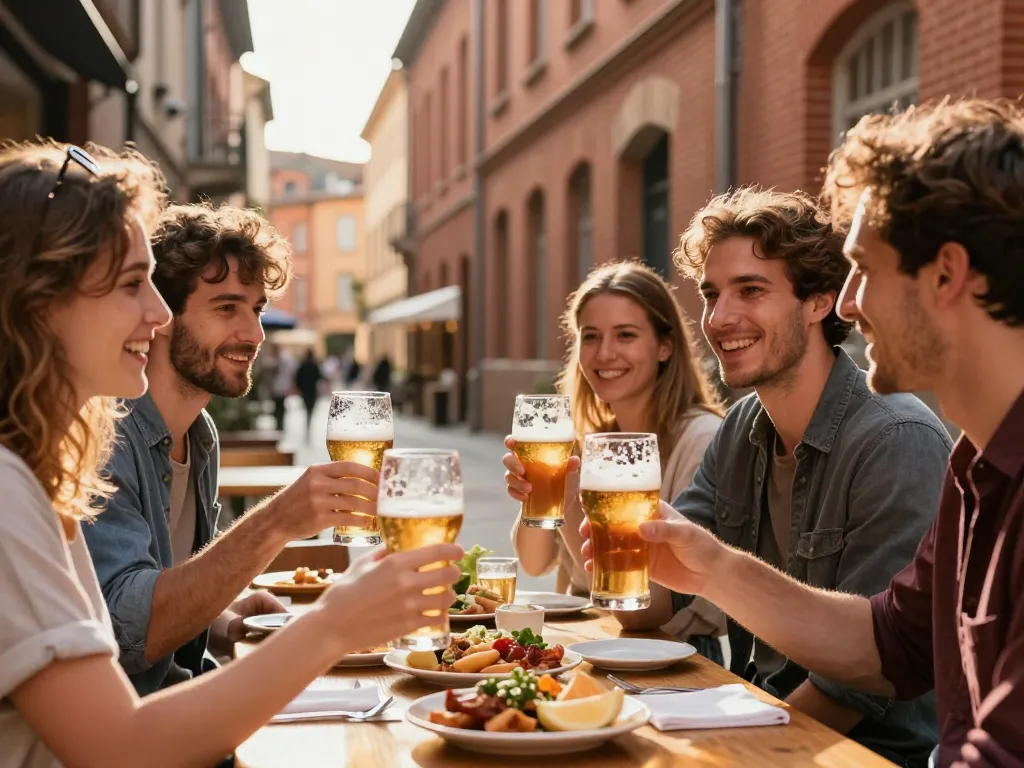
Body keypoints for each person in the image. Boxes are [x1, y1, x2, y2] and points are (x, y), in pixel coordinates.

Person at [581, 98, 1024, 767]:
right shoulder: (975, 467)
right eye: (712, 293)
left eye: (865, 272)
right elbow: (889, 646)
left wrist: (737, 750)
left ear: (946, 273)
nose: (850, 302)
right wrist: (715, 568)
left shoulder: (909, 439)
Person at [0, 140, 462, 767]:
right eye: (133, 284)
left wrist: (219, 617)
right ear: (42, 300)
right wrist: (331, 623)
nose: (157, 313)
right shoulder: (11, 487)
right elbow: (119, 744)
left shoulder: (46, 467)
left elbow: (95, 647)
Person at [648, 186, 951, 765]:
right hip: (765, 722)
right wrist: (569, 500)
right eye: (712, 295)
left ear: (820, 302)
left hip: (865, 752)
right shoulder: (742, 428)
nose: (719, 318)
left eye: (751, 291)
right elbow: (655, 598)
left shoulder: (896, 439)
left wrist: (727, 746)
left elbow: (861, 683)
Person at [81, 202, 383, 695]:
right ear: (161, 316)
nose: (254, 334)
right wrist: (277, 521)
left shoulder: (200, 435)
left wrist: (223, 620)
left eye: (257, 309)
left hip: (182, 701)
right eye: (226, 308)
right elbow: (125, 630)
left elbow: (168, 586)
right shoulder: (104, 434)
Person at [503, 261, 724, 630]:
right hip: (590, 643)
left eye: (625, 335)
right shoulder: (586, 439)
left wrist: (572, 496)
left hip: (674, 664)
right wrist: (540, 490)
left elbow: (644, 614)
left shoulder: (701, 439)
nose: (604, 353)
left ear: (665, 347)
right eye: (590, 336)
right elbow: (534, 562)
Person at [294, 348, 323, 440]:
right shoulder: (314, 366)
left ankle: (307, 427)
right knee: (310, 411)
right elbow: (319, 377)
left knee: (307, 410)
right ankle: (308, 427)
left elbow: (297, 379)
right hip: (312, 391)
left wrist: (299, 389)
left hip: (305, 392)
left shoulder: (302, 366)